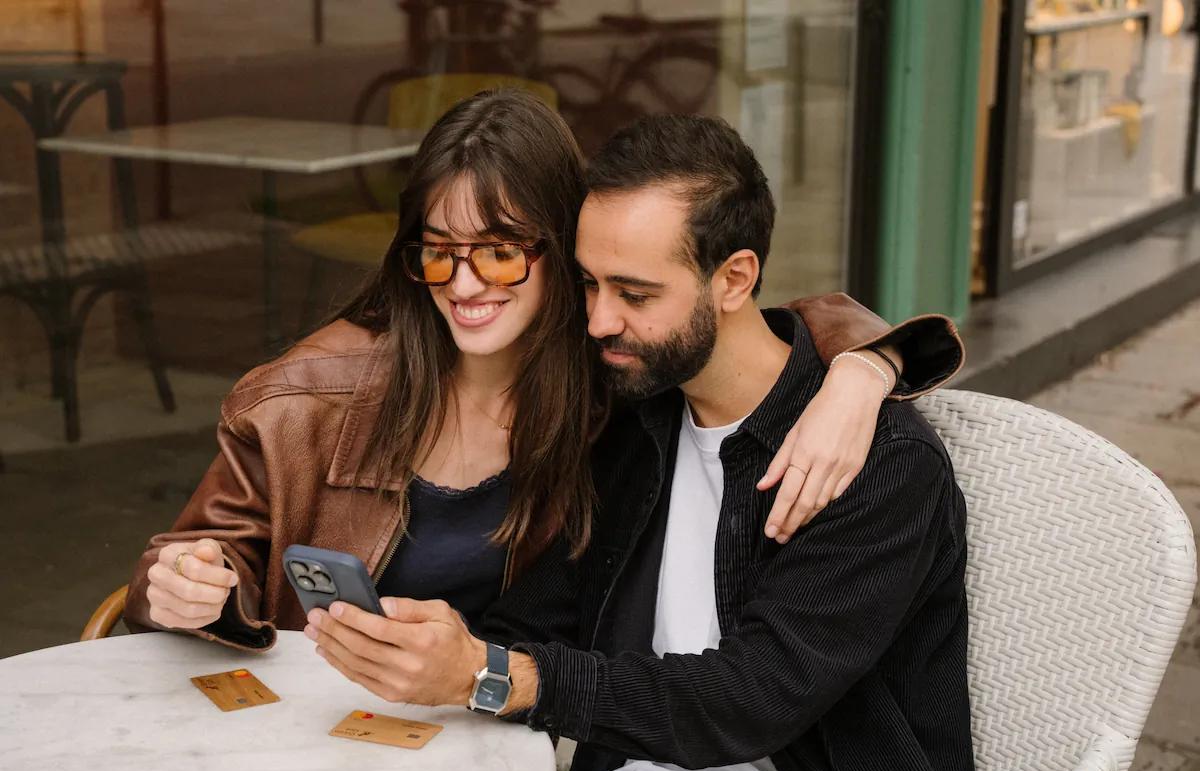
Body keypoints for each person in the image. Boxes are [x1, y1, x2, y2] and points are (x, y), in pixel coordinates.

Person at [122, 91, 963, 661]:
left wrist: (864, 367)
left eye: (497, 251)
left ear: (564, 252)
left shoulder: (618, 376)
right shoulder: (305, 396)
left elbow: (740, 328)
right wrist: (197, 589)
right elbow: (189, 563)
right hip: (322, 728)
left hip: (509, 733)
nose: (463, 285)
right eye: (438, 253)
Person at [304, 113, 976, 771]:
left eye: (635, 293)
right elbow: (541, 616)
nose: (598, 321)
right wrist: (448, 647)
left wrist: (494, 675)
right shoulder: (639, 419)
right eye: (590, 284)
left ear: (735, 279)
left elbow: (749, 700)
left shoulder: (879, 465)